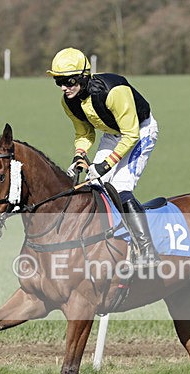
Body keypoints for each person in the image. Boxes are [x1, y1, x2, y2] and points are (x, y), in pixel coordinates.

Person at [47, 47, 160, 269]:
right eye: (58, 82)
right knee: (96, 186)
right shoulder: (68, 101)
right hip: (112, 133)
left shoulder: (113, 91)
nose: (63, 87)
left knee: (120, 188)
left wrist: (106, 164)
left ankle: (148, 251)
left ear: (82, 77)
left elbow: (131, 134)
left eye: (68, 81)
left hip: (140, 132)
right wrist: (80, 154)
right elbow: (84, 133)